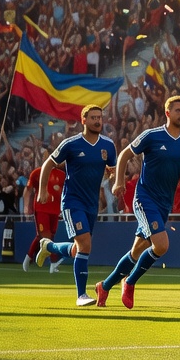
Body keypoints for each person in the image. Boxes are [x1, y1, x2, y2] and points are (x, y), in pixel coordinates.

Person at [97, 96, 180, 310]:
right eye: (178, 110)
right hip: (145, 198)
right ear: (167, 113)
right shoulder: (152, 136)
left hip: (165, 203)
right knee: (161, 245)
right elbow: (125, 155)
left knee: (138, 250)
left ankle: (105, 285)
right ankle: (130, 282)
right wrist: (119, 180)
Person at [35, 104, 117, 306]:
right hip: (72, 201)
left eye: (100, 117)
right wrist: (43, 189)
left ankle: (49, 246)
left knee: (78, 249)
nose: (98, 121)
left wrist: (114, 178)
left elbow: (113, 169)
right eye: (93, 117)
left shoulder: (108, 145)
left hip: (92, 204)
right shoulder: (70, 144)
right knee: (86, 245)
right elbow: (48, 164)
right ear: (84, 120)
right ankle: (81, 295)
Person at [23, 139, 67, 274]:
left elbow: (65, 191)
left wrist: (62, 207)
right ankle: (52, 262)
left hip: (54, 210)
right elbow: (28, 189)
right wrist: (26, 206)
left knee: (47, 237)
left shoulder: (61, 174)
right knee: (45, 236)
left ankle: (29, 258)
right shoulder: (37, 172)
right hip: (41, 208)